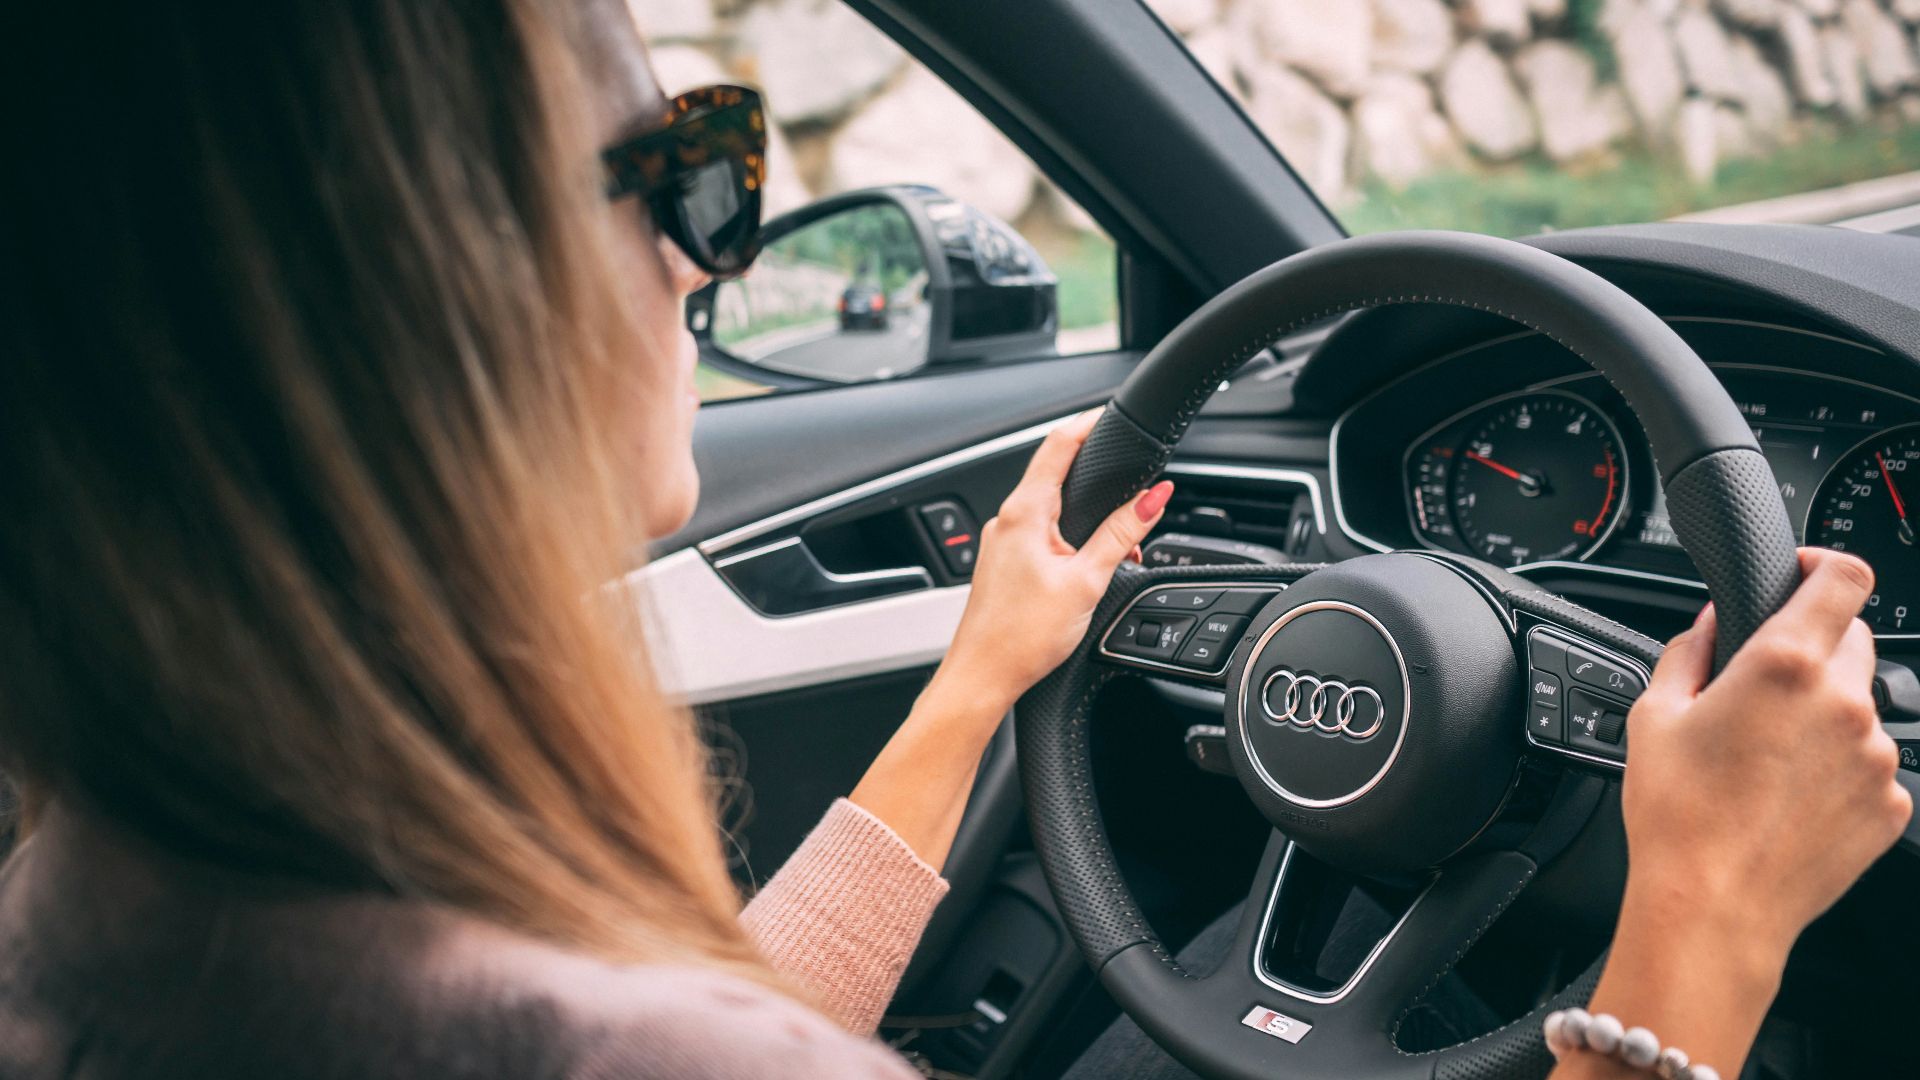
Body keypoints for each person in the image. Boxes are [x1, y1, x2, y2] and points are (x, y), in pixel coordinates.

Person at [0, 2, 1903, 1079]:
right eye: (688, 165)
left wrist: (981, 680)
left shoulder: (105, 907)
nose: (705, 244)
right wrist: (1702, 913)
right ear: (435, 280)